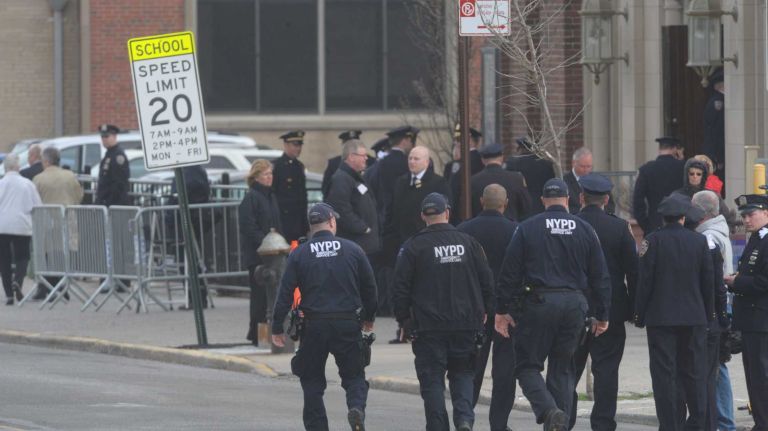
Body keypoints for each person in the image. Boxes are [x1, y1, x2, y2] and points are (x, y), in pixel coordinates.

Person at [495, 178, 611, 430]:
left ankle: (549, 411)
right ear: (568, 200)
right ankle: (559, 422)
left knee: (527, 366)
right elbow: (600, 275)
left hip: (539, 302)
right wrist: (603, 314)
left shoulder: (527, 228)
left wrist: (502, 310)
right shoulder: (585, 229)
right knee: (563, 370)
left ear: (542, 201)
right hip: (574, 305)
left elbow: (509, 273)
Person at [271, 202, 377, 431]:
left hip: (313, 325)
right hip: (347, 323)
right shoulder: (353, 249)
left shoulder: (299, 253)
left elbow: (285, 293)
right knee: (354, 377)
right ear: (331, 222)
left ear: (311, 226)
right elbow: (370, 288)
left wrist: (277, 327)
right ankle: (356, 408)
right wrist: (370, 317)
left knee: (311, 381)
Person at [393, 192, 494, 431]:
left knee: (432, 380)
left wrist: (404, 320)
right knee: (463, 375)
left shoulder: (413, 247)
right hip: (466, 323)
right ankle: (464, 420)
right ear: (447, 212)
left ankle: (438, 426)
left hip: (429, 326)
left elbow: (399, 288)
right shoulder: (470, 243)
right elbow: (487, 281)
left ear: (422, 216)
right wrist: (487, 310)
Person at [634, 194, 714, 430]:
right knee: (694, 373)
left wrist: (639, 314)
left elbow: (644, 282)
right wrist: (708, 314)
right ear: (683, 217)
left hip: (661, 319)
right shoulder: (699, 242)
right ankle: (698, 422)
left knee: (664, 375)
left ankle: (669, 424)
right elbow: (707, 282)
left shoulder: (652, 240)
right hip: (693, 317)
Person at [569, 173, 638, 431]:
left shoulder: (571, 225)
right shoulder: (619, 228)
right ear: (607, 199)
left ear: (581, 198)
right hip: (611, 308)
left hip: (574, 309)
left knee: (568, 369)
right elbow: (633, 271)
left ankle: (564, 419)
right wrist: (633, 308)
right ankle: (603, 423)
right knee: (607, 370)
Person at [457, 184, 519, 431]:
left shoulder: (463, 231)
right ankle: (499, 424)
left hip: (475, 311)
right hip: (507, 311)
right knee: (505, 372)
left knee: (471, 369)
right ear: (505, 203)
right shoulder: (517, 231)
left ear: (482, 201)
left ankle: (465, 418)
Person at [683, 198, 730, 431]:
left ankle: (715, 423)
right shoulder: (715, 234)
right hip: (713, 316)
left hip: (705, 318)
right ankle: (720, 422)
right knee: (714, 373)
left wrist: (720, 317)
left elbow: (714, 286)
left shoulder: (707, 239)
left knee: (707, 376)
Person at [724, 194, 768, 430]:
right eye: (744, 215)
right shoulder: (757, 239)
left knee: (761, 377)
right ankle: (761, 421)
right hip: (752, 320)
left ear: (766, 213)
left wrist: (736, 282)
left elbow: (763, 282)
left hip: (762, 320)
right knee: (753, 377)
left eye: (751, 214)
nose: (747, 219)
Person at [239, 159, 282, 346]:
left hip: (273, 254)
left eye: (271, 174)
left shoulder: (270, 196)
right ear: (256, 177)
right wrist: (266, 243)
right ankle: (257, 333)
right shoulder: (251, 198)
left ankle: (268, 332)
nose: (270, 177)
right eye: (266, 174)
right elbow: (249, 226)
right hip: (258, 255)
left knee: (271, 296)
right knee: (259, 297)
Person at [32, 147, 84, 300]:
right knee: (63, 254)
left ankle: (47, 287)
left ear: (47, 161)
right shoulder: (70, 176)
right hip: (68, 219)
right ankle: (62, 286)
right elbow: (79, 195)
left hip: (47, 221)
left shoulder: (39, 179)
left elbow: (35, 200)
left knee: (47, 255)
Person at [387, 146, 451, 247]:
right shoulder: (401, 182)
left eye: (416, 159)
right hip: (402, 240)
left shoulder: (438, 183)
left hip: (428, 239)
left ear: (426, 162)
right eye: (410, 158)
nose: (412, 162)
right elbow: (393, 211)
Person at [0, 154, 42, 305]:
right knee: (22, 257)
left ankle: (9, 295)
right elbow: (37, 205)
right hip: (21, 225)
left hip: (2, 226)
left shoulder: (1, 183)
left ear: (5, 168)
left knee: (4, 260)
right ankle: (17, 280)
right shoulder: (27, 184)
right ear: (18, 167)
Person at [326, 140, 380, 256]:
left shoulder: (355, 177)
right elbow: (341, 210)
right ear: (351, 157)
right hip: (353, 242)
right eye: (363, 155)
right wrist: (362, 228)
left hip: (363, 243)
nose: (366, 158)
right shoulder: (341, 179)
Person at [632, 136, 686, 236]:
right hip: (680, 224)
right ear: (675, 149)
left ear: (659, 149)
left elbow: (638, 201)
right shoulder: (683, 168)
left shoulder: (646, 169)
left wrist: (646, 225)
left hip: (654, 225)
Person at [367, 125, 418, 229]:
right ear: (405, 141)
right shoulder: (407, 163)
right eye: (410, 140)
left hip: (383, 219)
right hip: (404, 219)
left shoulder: (380, 164)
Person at [470, 143, 531, 221]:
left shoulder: (473, 181)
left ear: (482, 160)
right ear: (502, 157)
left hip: (480, 227)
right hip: (510, 226)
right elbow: (526, 206)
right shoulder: (516, 178)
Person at [272, 131, 309, 243]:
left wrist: (305, 224)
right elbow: (273, 194)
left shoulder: (299, 166)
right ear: (286, 145)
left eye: (300, 145)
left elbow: (302, 196)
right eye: (295, 145)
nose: (298, 149)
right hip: (283, 221)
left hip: (298, 221)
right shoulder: (277, 166)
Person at [505, 137, 555, 215]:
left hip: (520, 205)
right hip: (541, 205)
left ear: (520, 148)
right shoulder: (546, 164)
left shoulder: (513, 163)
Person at [321, 130, 375, 199]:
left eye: (355, 144)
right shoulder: (334, 164)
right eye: (350, 145)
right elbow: (326, 189)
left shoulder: (370, 161)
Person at [563, 148, 615, 215]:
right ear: (573, 163)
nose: (586, 170)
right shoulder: (564, 181)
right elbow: (565, 207)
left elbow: (610, 206)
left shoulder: (598, 181)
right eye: (582, 166)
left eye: (589, 166)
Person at [95, 124, 130, 207]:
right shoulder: (109, 154)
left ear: (114, 137)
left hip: (114, 204)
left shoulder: (118, 156)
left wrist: (108, 202)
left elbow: (119, 184)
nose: (104, 139)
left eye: (106, 136)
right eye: (102, 137)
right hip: (105, 202)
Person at [702, 70, 725, 179]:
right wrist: (719, 157)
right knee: (717, 179)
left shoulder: (718, 99)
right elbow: (717, 131)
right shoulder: (718, 101)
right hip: (716, 152)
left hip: (714, 150)